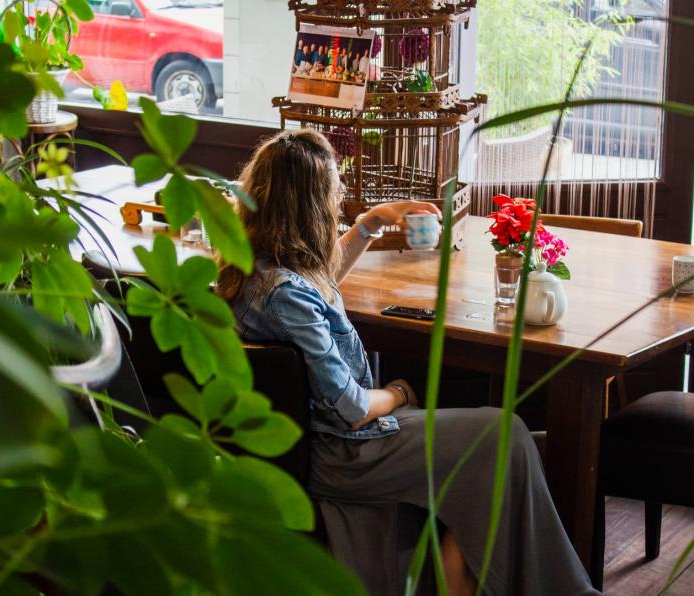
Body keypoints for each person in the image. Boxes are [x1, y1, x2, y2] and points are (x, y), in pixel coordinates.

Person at [219, 130, 598, 596]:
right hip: (343, 452)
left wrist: (373, 221)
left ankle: (460, 576)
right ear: (310, 206)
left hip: (321, 443)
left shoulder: (254, 271)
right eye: (332, 191)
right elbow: (351, 407)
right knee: (504, 436)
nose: (337, 199)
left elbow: (316, 285)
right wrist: (399, 393)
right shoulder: (286, 296)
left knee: (500, 450)